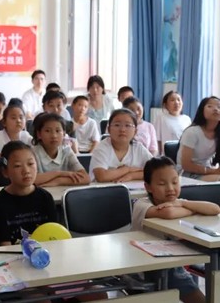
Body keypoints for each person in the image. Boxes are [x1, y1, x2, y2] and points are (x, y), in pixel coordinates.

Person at [133, 157, 220, 303]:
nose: (170, 188)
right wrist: (193, 209)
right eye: (162, 184)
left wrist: (181, 203)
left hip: (172, 259)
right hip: (146, 264)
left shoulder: (178, 203)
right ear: (148, 187)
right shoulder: (141, 204)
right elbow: (169, 213)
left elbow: (215, 209)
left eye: (174, 182)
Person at [0, 141, 57, 246]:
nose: (26, 171)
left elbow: (55, 235)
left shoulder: (45, 198)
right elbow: (4, 246)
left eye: (30, 164)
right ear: (5, 171)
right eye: (17, 166)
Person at [89, 109, 152, 182]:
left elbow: (155, 171)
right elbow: (102, 176)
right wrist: (127, 169)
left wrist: (131, 176)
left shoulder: (138, 148)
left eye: (127, 125)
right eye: (117, 125)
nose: (122, 129)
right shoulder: (102, 148)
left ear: (135, 131)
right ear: (109, 130)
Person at [31, 113, 89, 187]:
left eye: (58, 131)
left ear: (64, 134)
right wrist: (60, 173)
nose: (54, 136)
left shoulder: (67, 151)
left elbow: (85, 178)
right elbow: (31, 180)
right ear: (39, 134)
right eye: (47, 131)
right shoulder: (32, 153)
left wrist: (59, 181)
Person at [177, 96, 220, 181]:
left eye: (219, 107)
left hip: (207, 170)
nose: (215, 109)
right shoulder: (192, 132)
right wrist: (213, 171)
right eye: (210, 106)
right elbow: (186, 165)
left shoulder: (218, 134)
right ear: (201, 111)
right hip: (186, 173)